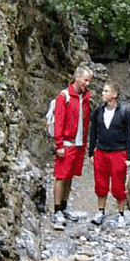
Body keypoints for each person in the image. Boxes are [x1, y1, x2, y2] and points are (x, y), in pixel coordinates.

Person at [51, 64, 93, 230]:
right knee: (61, 176)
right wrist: (59, 144)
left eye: (89, 81)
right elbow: (59, 121)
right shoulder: (64, 96)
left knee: (69, 176)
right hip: (67, 144)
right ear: (77, 78)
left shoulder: (85, 97)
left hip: (79, 144)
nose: (87, 84)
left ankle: (64, 207)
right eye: (85, 80)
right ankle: (56, 211)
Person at [88, 80, 130, 227]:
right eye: (103, 91)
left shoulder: (125, 112)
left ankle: (121, 214)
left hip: (118, 153)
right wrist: (91, 153)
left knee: (118, 186)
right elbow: (93, 132)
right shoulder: (98, 111)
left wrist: (129, 156)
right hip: (101, 152)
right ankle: (100, 211)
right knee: (100, 184)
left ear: (114, 95)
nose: (102, 93)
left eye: (106, 91)